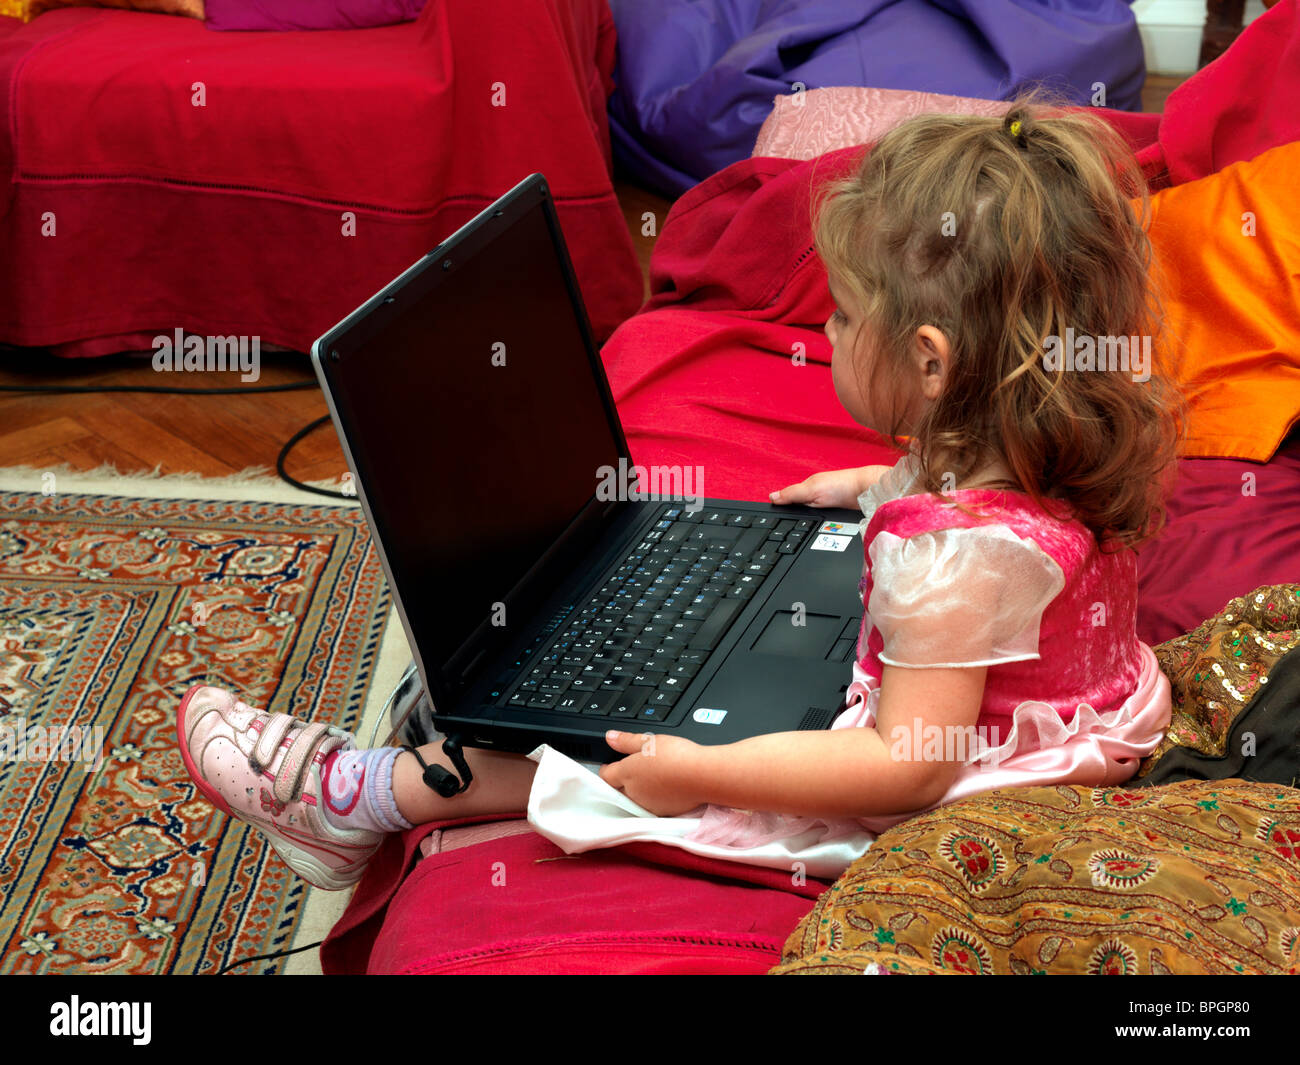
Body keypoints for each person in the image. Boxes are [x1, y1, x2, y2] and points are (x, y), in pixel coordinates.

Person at [177, 100, 1180, 889]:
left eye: (838, 316)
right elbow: (1001, 546)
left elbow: (906, 767)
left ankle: (351, 799)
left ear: (929, 362)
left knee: (621, 761)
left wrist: (694, 768)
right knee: (638, 699)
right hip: (1078, 718)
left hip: (957, 793)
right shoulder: (1052, 439)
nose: (823, 334)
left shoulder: (952, 556)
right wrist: (881, 487)